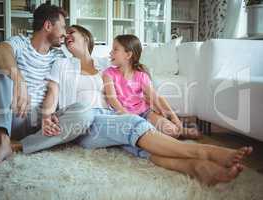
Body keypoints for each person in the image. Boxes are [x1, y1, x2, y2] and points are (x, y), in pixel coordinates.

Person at [22, 24, 252, 186]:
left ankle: (197, 168)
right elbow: (52, 93)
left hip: (107, 120)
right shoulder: (61, 64)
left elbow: (129, 76)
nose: (66, 36)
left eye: (72, 32)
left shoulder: (104, 65)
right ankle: (203, 151)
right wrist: (47, 116)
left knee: (141, 145)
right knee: (132, 123)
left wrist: (149, 89)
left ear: (86, 39)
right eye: (65, 34)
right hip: (82, 119)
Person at [0, 4, 94, 168]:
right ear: (48, 26)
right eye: (62, 27)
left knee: (85, 113)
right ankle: (2, 137)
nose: (64, 33)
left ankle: (17, 145)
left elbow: (82, 66)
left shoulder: (59, 55)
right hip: (15, 115)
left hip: (43, 125)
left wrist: (50, 113)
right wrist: (19, 80)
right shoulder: (20, 43)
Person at [103, 34, 200, 139]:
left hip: (145, 112)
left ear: (128, 55)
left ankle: (179, 127)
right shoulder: (109, 73)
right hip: (125, 115)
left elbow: (154, 96)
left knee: (172, 132)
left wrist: (168, 115)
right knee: (143, 135)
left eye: (115, 49)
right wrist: (126, 115)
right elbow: (112, 98)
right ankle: (164, 131)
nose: (110, 52)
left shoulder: (141, 75)